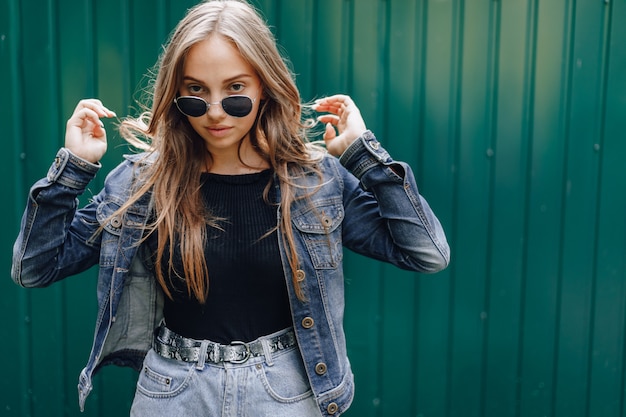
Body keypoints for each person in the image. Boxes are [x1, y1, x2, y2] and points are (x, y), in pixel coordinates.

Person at [11, 0, 450, 416]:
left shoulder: (316, 182)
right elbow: (35, 268)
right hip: (173, 394)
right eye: (196, 93)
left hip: (285, 394)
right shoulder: (141, 184)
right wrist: (73, 170)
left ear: (264, 85)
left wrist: (361, 155)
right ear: (176, 95)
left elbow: (426, 252)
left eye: (235, 90)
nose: (216, 112)